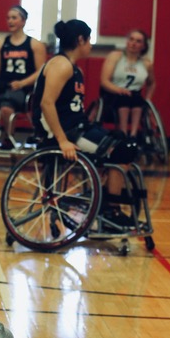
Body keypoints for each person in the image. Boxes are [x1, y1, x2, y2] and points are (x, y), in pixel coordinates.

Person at [32, 19, 138, 228]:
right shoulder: (61, 65)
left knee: (122, 142)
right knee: (121, 151)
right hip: (66, 132)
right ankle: (110, 211)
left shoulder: (72, 67)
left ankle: (100, 198)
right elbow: (46, 103)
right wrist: (62, 141)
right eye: (89, 40)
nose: (90, 45)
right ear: (80, 40)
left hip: (77, 127)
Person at [0, 5, 46, 148]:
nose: (10, 21)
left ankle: (8, 137)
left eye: (14, 18)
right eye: (8, 18)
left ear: (23, 21)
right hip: (3, 85)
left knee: (6, 108)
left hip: (23, 88)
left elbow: (41, 71)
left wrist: (22, 83)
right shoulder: (1, 44)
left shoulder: (35, 45)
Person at [100, 29, 155, 137]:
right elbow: (104, 81)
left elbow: (151, 83)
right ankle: (123, 133)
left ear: (143, 46)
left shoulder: (146, 64)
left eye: (138, 41)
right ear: (127, 41)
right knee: (125, 98)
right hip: (114, 93)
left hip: (134, 95)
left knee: (137, 99)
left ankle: (133, 135)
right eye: (131, 39)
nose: (133, 43)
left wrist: (148, 99)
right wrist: (119, 90)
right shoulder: (115, 56)